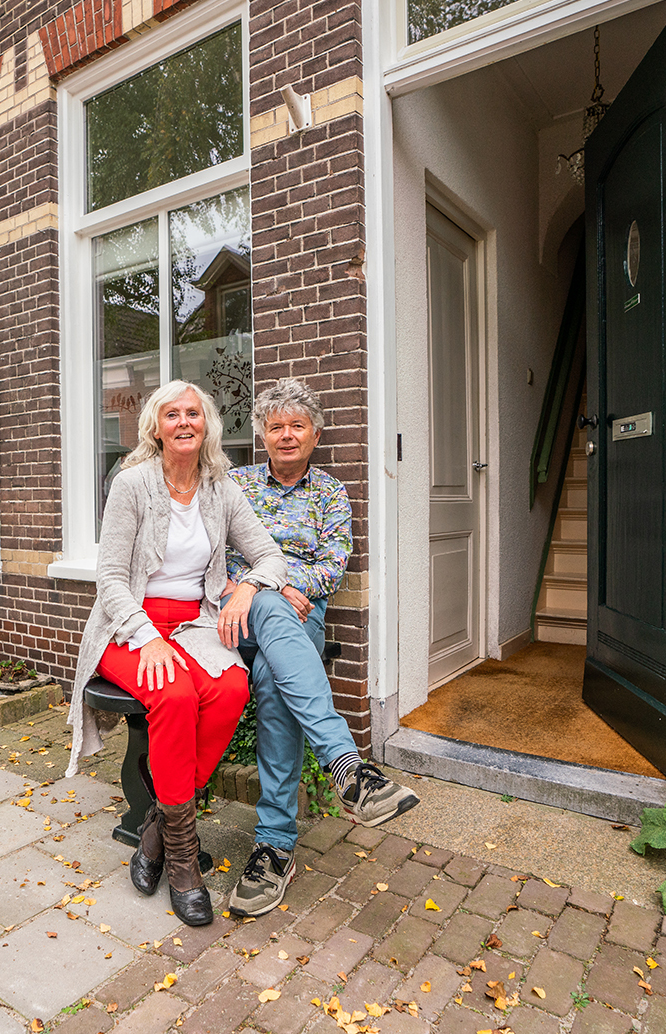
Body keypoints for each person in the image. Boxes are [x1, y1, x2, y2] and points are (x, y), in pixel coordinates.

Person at [66, 380, 288, 926]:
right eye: (173, 414)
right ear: (156, 427)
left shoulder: (221, 488)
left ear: (206, 425)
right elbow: (111, 578)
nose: (184, 422)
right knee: (176, 695)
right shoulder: (132, 484)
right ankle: (184, 863)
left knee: (233, 688)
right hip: (127, 626)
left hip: (194, 623)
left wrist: (248, 587)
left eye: (194, 413)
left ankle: (157, 834)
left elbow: (270, 555)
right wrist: (145, 637)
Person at [224, 377, 420, 918]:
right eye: (275, 426)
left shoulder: (331, 492)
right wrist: (273, 583)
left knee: (271, 680)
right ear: (262, 434)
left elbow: (332, 568)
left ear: (315, 434)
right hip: (237, 614)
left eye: (297, 426)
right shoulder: (236, 484)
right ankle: (348, 768)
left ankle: (274, 845)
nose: (286, 435)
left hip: (298, 619)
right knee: (264, 602)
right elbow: (218, 555)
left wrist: (281, 587)